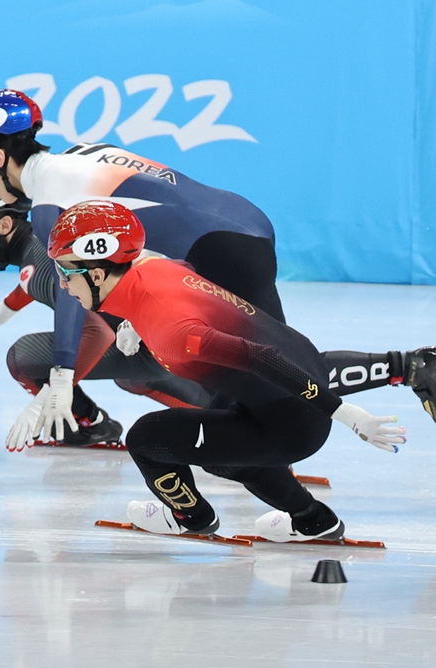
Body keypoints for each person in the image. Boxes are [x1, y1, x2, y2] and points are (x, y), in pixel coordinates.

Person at [0, 89, 436, 448]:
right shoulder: (83, 153)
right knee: (270, 358)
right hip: (244, 222)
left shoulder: (47, 206)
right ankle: (397, 371)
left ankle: (406, 366)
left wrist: (62, 376)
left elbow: (71, 291)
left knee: (257, 368)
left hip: (215, 251)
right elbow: (140, 226)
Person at [48, 200, 406, 541]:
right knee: (223, 458)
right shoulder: (155, 269)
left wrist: (343, 412)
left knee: (145, 440)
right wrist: (133, 320)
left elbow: (257, 357)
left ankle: (190, 518)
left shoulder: (173, 332)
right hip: (289, 370)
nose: (62, 284)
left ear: (96, 273)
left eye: (65, 272)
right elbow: (182, 280)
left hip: (294, 414)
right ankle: (314, 521)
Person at [0, 175, 213, 449]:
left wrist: (54, 392)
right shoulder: (43, 249)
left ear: (4, 224)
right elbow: (47, 285)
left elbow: (96, 333)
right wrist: (7, 307)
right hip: (165, 335)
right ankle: (221, 414)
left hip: (153, 340)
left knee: (23, 357)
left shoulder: (39, 265)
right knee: (132, 377)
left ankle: (86, 424)